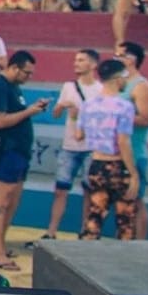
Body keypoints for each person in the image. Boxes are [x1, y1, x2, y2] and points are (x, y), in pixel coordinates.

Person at [0, 51, 50, 270]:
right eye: (26, 73)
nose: (29, 77)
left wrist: (31, 109)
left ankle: (0, 246)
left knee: (13, 201)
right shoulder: (0, 86)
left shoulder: (14, 87)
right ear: (14, 67)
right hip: (7, 150)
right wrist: (29, 112)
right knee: (2, 201)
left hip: (19, 151)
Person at [28, 49, 99, 246]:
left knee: (89, 190)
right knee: (60, 189)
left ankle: (85, 231)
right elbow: (57, 114)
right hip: (69, 145)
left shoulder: (100, 89)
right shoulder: (69, 86)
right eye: (76, 60)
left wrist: (80, 114)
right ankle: (51, 231)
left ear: (93, 65)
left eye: (81, 60)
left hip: (91, 146)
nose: (76, 63)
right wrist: (61, 107)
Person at [76, 59, 139, 240]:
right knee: (125, 221)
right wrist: (133, 173)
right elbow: (123, 141)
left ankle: (86, 251)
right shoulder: (124, 107)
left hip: (96, 164)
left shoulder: (87, 105)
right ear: (118, 79)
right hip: (117, 165)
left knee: (95, 215)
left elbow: (79, 135)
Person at [116, 41, 148, 239]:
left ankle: (140, 242)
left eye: (119, 56)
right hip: (117, 150)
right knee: (122, 200)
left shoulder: (141, 86)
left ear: (131, 59)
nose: (116, 59)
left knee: (136, 199)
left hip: (134, 150)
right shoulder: (120, 83)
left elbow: (146, 119)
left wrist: (116, 117)